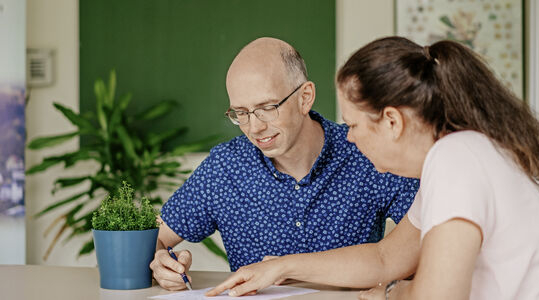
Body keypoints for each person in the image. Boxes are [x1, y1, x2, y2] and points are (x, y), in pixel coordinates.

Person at [206, 37, 539, 299]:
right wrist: (281, 267)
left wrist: (393, 294)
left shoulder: (456, 160)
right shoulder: (451, 160)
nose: (350, 138)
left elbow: (437, 295)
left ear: (392, 121)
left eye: (356, 125)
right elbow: (385, 259)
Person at [148, 37, 420, 291]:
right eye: (241, 113)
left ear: (305, 97)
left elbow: (418, 248)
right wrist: (160, 260)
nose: (255, 127)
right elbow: (154, 238)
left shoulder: (365, 151)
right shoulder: (225, 168)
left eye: (267, 107)